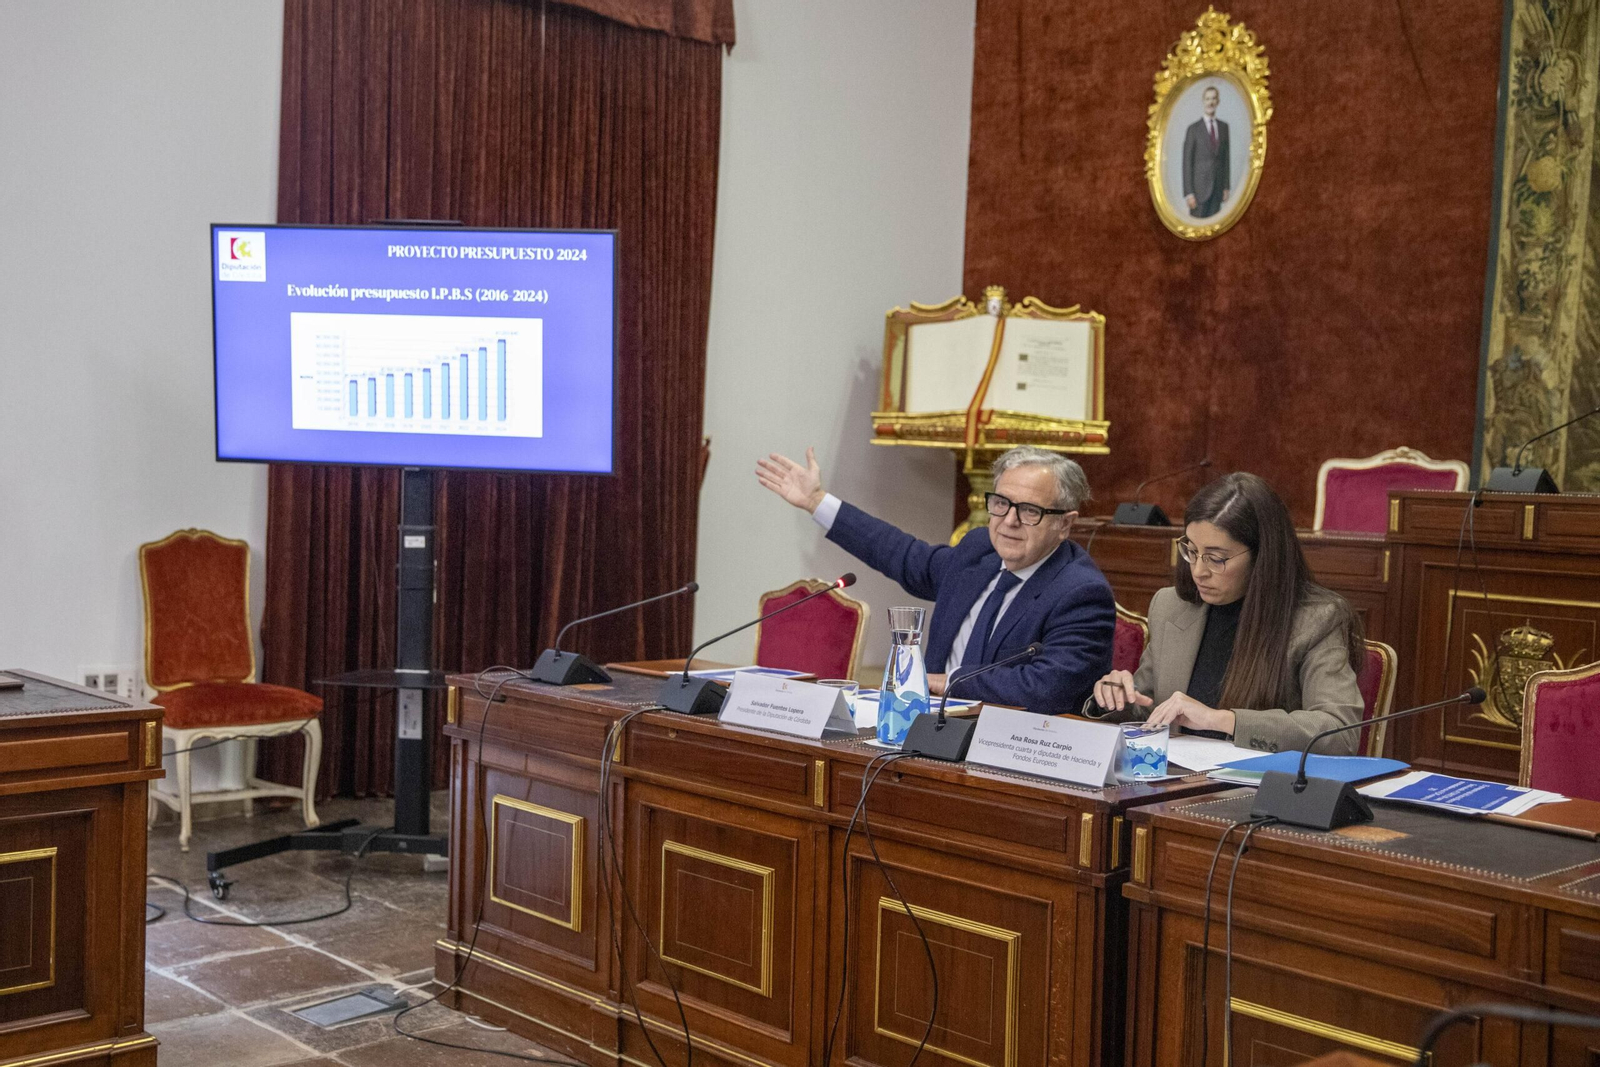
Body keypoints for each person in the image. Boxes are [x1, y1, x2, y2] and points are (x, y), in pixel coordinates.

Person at [755, 445, 1114, 711]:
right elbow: (901, 553)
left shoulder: (1081, 592)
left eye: (1030, 511)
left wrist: (945, 683)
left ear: (1064, 523)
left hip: (1009, 749)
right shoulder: (978, 552)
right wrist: (817, 501)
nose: (1009, 521)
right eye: (1001, 503)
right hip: (927, 728)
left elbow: (1046, 686)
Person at [1087, 472, 1364, 754]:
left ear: (1262, 555)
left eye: (1216, 558)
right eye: (1191, 551)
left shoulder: (1316, 619)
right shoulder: (1171, 606)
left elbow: (1339, 732)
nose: (1198, 571)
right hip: (1175, 784)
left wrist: (1223, 720)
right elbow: (1149, 709)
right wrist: (1115, 698)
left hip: (1263, 789)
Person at [1182, 84, 1231, 219]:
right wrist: (1189, 193)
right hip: (1199, 192)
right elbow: (1187, 161)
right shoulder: (1193, 129)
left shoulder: (1223, 127)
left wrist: (1226, 187)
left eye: (1214, 99)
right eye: (1208, 99)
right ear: (1203, 101)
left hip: (1217, 189)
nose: (1211, 102)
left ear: (1218, 102)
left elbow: (1226, 158)